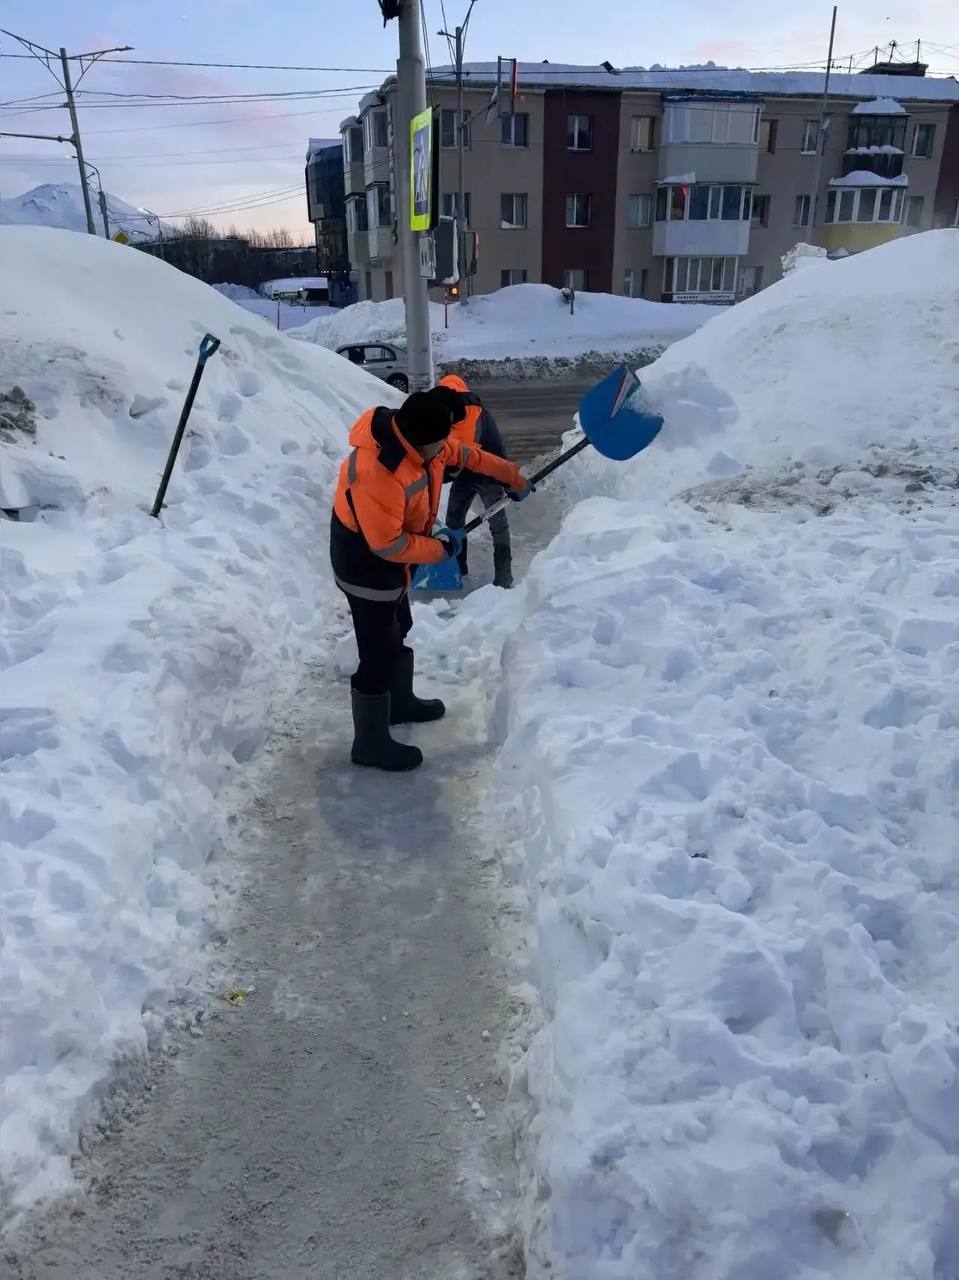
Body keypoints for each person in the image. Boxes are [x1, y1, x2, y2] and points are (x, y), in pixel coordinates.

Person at [330, 387, 531, 772]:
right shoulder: (378, 472)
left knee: (400, 624)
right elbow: (387, 545)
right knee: (377, 648)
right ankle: (368, 743)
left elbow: (468, 455)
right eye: (440, 442)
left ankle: (399, 702)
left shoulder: (426, 445)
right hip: (363, 560)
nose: (445, 448)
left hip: (393, 555)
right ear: (419, 440)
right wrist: (440, 548)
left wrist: (512, 477)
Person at [436, 374, 517, 588]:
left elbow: (448, 455)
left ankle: (472, 574)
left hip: (476, 474)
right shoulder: (471, 414)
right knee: (486, 525)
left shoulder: (457, 416)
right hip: (478, 473)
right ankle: (491, 576)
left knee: (465, 523)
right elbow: (493, 448)